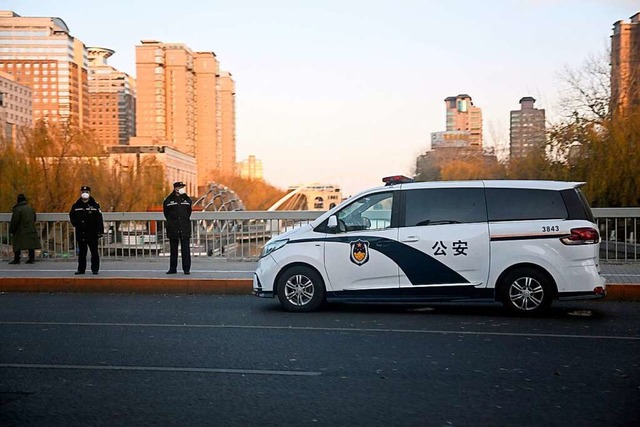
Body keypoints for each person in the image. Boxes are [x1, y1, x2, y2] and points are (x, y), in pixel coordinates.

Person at [69, 186, 104, 275]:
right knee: (82, 252)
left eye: (87, 192)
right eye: (83, 191)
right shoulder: (76, 205)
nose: (85, 193)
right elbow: (72, 216)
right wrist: (76, 224)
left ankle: (95, 269)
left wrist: (100, 231)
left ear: (89, 193)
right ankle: (81, 269)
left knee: (94, 252)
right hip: (81, 232)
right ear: (80, 193)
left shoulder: (95, 205)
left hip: (92, 232)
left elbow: (99, 219)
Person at [163, 181, 192, 275]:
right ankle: (172, 268)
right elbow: (166, 213)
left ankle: (186, 269)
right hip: (173, 228)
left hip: (184, 227)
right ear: (175, 188)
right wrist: (171, 222)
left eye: (182, 187)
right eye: (180, 187)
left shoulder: (187, 199)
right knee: (173, 249)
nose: (181, 189)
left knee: (185, 250)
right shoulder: (168, 200)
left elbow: (188, 212)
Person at [9, 194, 41, 264]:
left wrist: (11, 230)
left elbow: (15, 221)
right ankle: (31, 259)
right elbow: (34, 218)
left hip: (20, 230)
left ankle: (17, 259)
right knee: (31, 245)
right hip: (31, 228)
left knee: (17, 244)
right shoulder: (30, 208)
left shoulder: (17, 209)